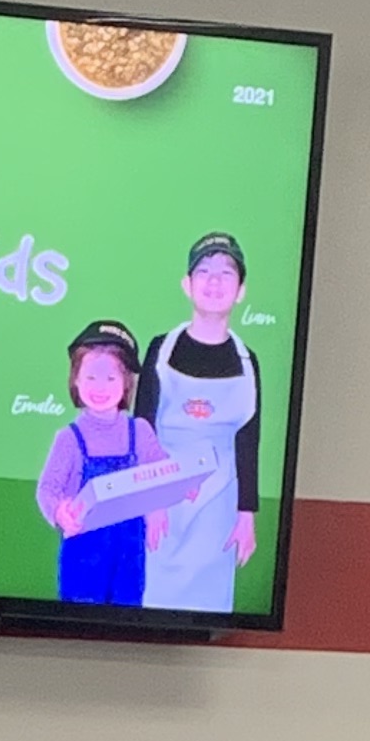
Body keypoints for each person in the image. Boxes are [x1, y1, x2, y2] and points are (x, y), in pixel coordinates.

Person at [137, 234, 261, 616]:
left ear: (240, 291)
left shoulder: (247, 361)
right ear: (187, 285)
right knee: (154, 596)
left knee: (209, 601)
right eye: (203, 271)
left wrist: (246, 518)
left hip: (219, 501)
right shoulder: (161, 349)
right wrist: (150, 503)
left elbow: (248, 440)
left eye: (226, 273)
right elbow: (142, 428)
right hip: (164, 493)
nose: (213, 281)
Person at [33, 317, 167, 613]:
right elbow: (47, 488)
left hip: (129, 559)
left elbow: (162, 474)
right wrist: (59, 511)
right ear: (76, 380)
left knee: (127, 621)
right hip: (83, 558)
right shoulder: (69, 438)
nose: (100, 387)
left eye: (111, 378)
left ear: (126, 384)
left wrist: (160, 506)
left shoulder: (140, 432)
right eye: (91, 377)